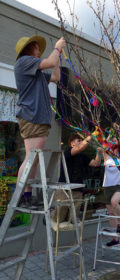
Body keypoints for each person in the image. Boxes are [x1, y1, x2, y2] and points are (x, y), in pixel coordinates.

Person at [14, 35, 66, 206]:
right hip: (32, 117)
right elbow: (50, 62)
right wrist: (57, 47)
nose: (39, 51)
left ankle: (27, 196)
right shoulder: (24, 62)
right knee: (31, 158)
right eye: (37, 47)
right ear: (29, 49)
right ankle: (21, 196)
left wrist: (57, 56)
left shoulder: (35, 72)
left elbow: (56, 76)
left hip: (37, 118)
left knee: (34, 159)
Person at [51, 133, 102, 223]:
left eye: (82, 140)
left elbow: (96, 164)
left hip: (78, 191)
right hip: (64, 189)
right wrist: (92, 135)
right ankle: (52, 214)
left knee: (73, 220)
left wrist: (99, 153)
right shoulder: (67, 151)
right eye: (79, 141)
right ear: (72, 144)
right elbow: (80, 148)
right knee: (59, 220)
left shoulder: (83, 156)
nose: (82, 142)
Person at [101, 141, 120, 248]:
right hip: (107, 187)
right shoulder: (107, 157)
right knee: (111, 214)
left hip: (119, 186)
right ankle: (115, 240)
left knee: (114, 201)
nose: (116, 149)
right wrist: (109, 134)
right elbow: (103, 144)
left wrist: (118, 132)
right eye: (114, 148)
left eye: (118, 148)